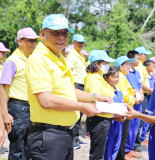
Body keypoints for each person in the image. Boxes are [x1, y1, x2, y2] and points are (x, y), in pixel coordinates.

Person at [25, 14, 111, 160]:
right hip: (48, 136)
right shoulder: (39, 59)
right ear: (42, 33)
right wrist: (81, 107)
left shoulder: (58, 57)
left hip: (63, 134)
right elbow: (46, 100)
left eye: (64, 34)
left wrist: (94, 98)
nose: (61, 38)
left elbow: (69, 92)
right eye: (55, 33)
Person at [0, 27, 40, 160]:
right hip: (17, 108)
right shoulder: (13, 61)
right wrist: (5, 114)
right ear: (20, 41)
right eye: (30, 40)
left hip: (29, 108)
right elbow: (3, 87)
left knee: (28, 149)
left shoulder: (29, 59)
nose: (33, 43)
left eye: (35, 41)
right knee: (18, 150)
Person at [84, 50, 116, 160]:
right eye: (105, 63)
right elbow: (95, 103)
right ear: (97, 64)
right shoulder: (93, 79)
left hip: (104, 119)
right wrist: (116, 110)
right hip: (98, 120)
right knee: (97, 155)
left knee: (100, 152)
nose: (107, 66)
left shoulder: (99, 78)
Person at [65, 34, 88, 149]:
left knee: (80, 114)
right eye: (79, 42)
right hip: (75, 85)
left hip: (82, 85)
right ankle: (72, 140)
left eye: (82, 42)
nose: (81, 44)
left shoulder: (79, 55)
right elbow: (68, 71)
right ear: (73, 42)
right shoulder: (71, 55)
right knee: (75, 114)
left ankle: (76, 138)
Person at [115, 55, 136, 160]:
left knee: (124, 137)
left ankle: (121, 156)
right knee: (121, 138)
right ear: (120, 66)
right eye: (127, 64)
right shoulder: (119, 79)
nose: (129, 66)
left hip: (127, 110)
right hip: (122, 111)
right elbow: (122, 96)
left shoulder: (124, 78)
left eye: (129, 64)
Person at [103, 66, 125, 160]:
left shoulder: (119, 92)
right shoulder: (105, 91)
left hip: (119, 123)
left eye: (117, 77)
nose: (116, 79)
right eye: (113, 77)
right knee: (108, 145)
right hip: (110, 123)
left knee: (116, 144)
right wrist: (116, 118)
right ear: (106, 77)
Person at [125, 50, 144, 159]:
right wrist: (134, 96)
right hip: (131, 103)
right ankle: (126, 150)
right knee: (129, 127)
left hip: (139, 103)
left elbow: (140, 86)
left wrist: (141, 94)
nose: (139, 60)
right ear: (131, 59)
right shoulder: (126, 73)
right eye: (137, 58)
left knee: (136, 127)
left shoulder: (137, 72)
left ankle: (131, 148)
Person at [134, 46, 152, 152]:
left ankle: (138, 142)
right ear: (140, 55)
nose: (146, 56)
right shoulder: (139, 67)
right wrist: (151, 90)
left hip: (144, 94)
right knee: (140, 120)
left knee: (141, 119)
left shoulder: (140, 66)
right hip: (142, 95)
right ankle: (137, 143)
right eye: (145, 54)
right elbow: (140, 84)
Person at [140, 60, 155, 144]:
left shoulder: (150, 75)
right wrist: (150, 90)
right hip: (146, 95)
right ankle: (141, 137)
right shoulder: (144, 75)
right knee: (145, 117)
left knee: (149, 116)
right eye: (152, 66)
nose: (154, 67)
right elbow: (142, 85)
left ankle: (144, 136)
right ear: (147, 67)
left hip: (150, 96)